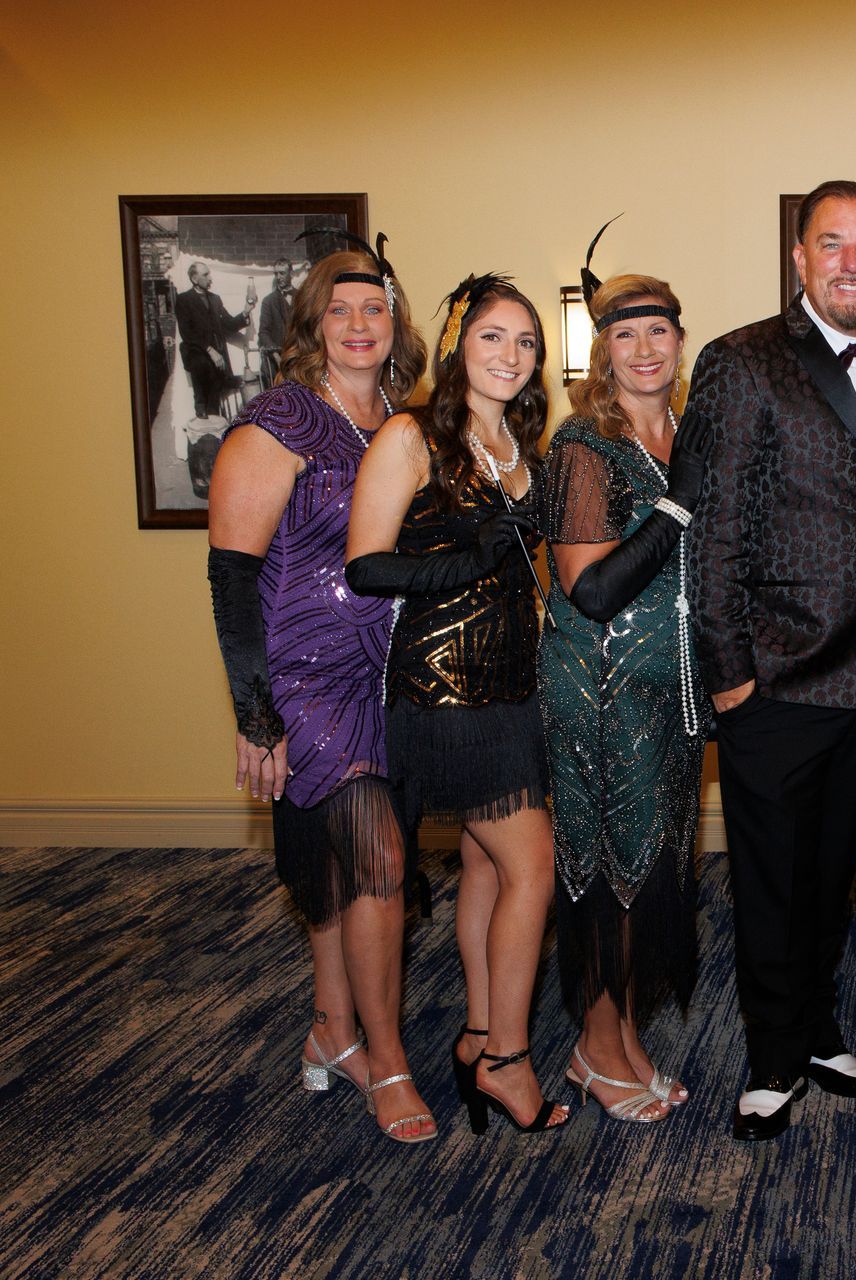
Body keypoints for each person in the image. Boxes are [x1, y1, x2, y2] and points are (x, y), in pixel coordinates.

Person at [687, 180, 856, 1141]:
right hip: (777, 676)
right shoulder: (741, 360)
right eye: (831, 244)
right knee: (769, 880)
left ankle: (821, 1030)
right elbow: (710, 533)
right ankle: (771, 1056)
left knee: (834, 873)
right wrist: (730, 678)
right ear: (799, 258)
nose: (851, 262)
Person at [205, 239, 436, 1143]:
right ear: (312, 324)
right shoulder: (281, 420)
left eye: (373, 308)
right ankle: (387, 1062)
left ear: (394, 324)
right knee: (378, 861)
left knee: (347, 868)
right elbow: (232, 578)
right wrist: (255, 714)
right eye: (338, 310)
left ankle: (333, 1030)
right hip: (307, 680)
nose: (357, 324)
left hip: (392, 672)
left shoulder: (403, 421)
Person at [346, 274, 568, 1136]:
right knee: (531, 868)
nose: (511, 357)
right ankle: (510, 1061)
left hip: (514, 684)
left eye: (526, 344)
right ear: (456, 346)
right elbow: (365, 563)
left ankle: (480, 1036)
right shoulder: (413, 436)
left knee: (484, 866)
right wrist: (458, 566)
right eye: (493, 338)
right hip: (444, 690)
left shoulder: (521, 445)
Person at [540, 247, 711, 1124]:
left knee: (652, 872)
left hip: (669, 698)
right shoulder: (584, 446)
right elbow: (592, 589)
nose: (644, 348)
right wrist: (679, 505)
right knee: (606, 877)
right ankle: (596, 1051)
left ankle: (621, 1040)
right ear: (601, 350)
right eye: (625, 334)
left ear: (680, 341)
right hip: (600, 693)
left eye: (659, 331)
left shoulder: (683, 436)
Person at [177, 261, 254, 418]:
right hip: (198, 357)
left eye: (209, 274)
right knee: (204, 366)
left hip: (218, 362)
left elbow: (229, 325)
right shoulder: (184, 300)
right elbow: (187, 333)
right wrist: (210, 350)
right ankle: (200, 405)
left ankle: (213, 425)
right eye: (205, 275)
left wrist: (245, 312)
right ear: (194, 278)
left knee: (215, 411)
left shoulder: (215, 299)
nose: (210, 278)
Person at [258, 258, 296, 386]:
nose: (278, 277)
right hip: (277, 363)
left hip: (299, 360)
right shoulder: (268, 301)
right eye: (276, 274)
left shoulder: (302, 297)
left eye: (282, 273)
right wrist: (275, 355)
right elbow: (263, 332)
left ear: (291, 273)